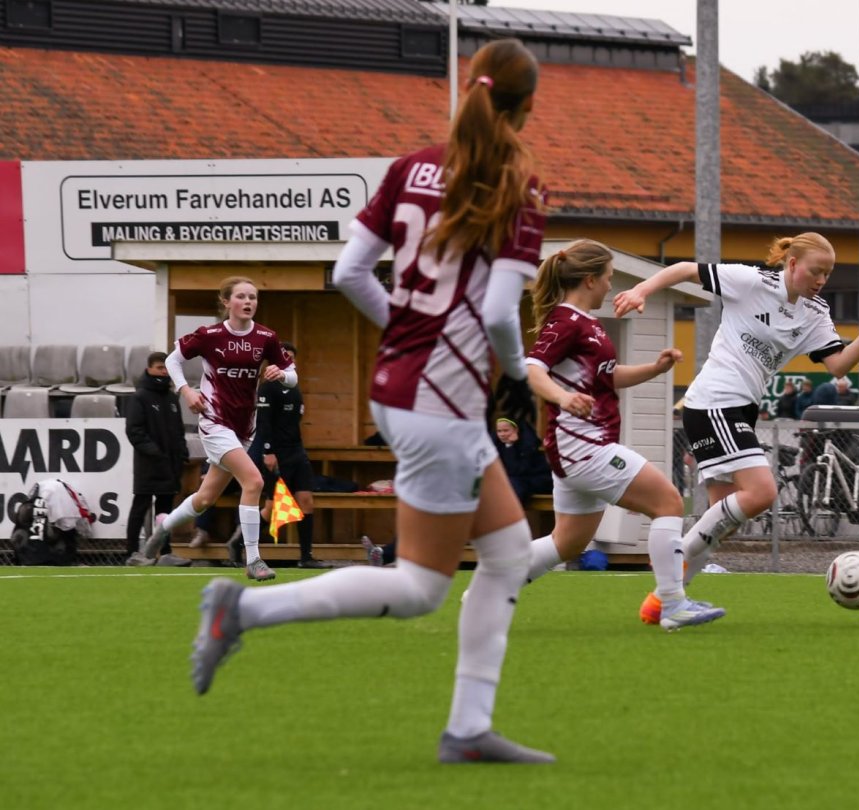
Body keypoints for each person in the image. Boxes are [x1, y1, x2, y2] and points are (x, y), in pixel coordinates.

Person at [188, 39, 554, 765]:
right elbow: (500, 315)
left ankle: (469, 728)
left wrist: (408, 331)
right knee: (420, 587)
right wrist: (518, 375)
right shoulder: (520, 185)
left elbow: (350, 272)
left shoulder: (410, 167)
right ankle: (245, 608)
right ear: (526, 108)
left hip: (401, 386)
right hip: (442, 402)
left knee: (510, 551)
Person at [614, 232, 859, 623]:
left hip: (739, 409)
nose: (821, 280)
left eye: (828, 273)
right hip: (715, 401)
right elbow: (683, 269)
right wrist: (641, 290)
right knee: (762, 492)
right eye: (815, 271)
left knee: (724, 522)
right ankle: (673, 567)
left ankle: (662, 604)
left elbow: (838, 366)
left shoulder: (815, 312)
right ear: (792, 264)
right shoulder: (752, 281)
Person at [521, 239, 725, 630]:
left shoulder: (587, 324)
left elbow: (607, 377)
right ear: (590, 279)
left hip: (579, 450)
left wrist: (655, 368)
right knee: (668, 502)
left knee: (568, 542)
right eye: (608, 278)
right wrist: (563, 398)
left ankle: (491, 586)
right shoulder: (565, 321)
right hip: (584, 448)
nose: (610, 285)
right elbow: (533, 369)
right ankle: (673, 604)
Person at [141, 277, 295, 581]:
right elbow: (172, 360)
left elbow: (292, 376)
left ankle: (163, 527)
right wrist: (186, 391)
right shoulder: (210, 335)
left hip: (244, 427)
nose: (248, 302)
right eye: (241, 296)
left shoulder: (266, 337)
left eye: (253, 297)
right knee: (253, 481)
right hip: (214, 421)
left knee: (205, 498)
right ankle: (254, 560)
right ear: (226, 302)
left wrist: (282, 375)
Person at [251, 341, 329, 569]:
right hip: (277, 454)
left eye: (292, 358)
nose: (288, 361)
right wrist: (268, 451)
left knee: (306, 501)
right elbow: (264, 423)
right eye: (285, 357)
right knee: (272, 507)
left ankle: (306, 557)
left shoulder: (294, 387)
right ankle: (238, 543)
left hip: (297, 452)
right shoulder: (267, 388)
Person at [124, 351, 190, 567]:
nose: (164, 372)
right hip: (148, 464)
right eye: (160, 368)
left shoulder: (172, 398)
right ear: (149, 369)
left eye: (166, 368)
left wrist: (182, 452)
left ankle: (165, 552)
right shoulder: (139, 397)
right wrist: (154, 453)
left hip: (170, 465)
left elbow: (179, 430)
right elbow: (134, 431)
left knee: (166, 510)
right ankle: (132, 553)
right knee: (140, 506)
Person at [492, 417, 552, 505]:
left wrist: (510, 445)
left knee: (513, 485)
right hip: (517, 480)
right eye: (499, 431)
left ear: (516, 430)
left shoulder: (528, 445)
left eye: (506, 430)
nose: (502, 434)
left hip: (537, 479)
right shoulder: (498, 445)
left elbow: (516, 470)